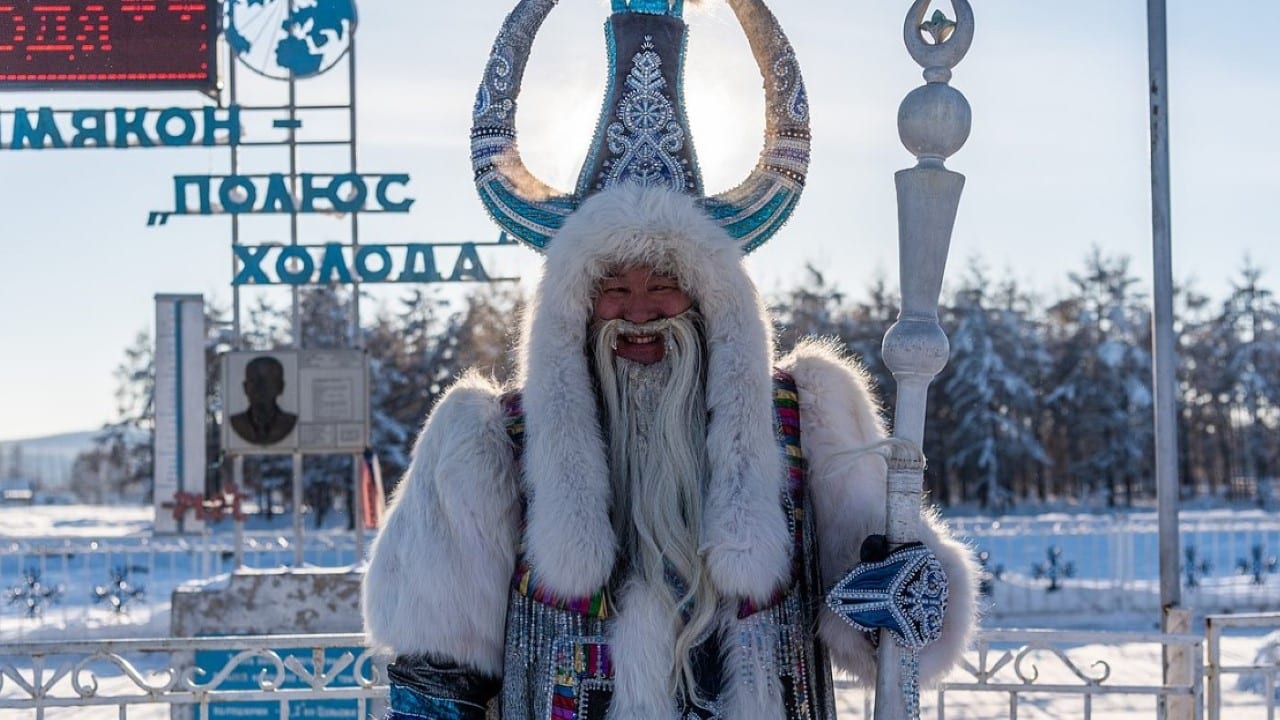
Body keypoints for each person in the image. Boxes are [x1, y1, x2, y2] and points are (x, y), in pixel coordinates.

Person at [363, 1, 978, 718]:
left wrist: (900, 585)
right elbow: (439, 673)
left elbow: (888, 635)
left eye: (666, 285)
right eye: (613, 288)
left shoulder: (806, 416)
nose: (640, 311)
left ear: (711, 300)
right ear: (574, 305)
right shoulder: (489, 440)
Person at [229, 355, 297, 446]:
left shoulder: (289, 422)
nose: (260, 388)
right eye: (254, 381)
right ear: (245, 387)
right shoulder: (237, 422)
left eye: (267, 382)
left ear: (280, 387)